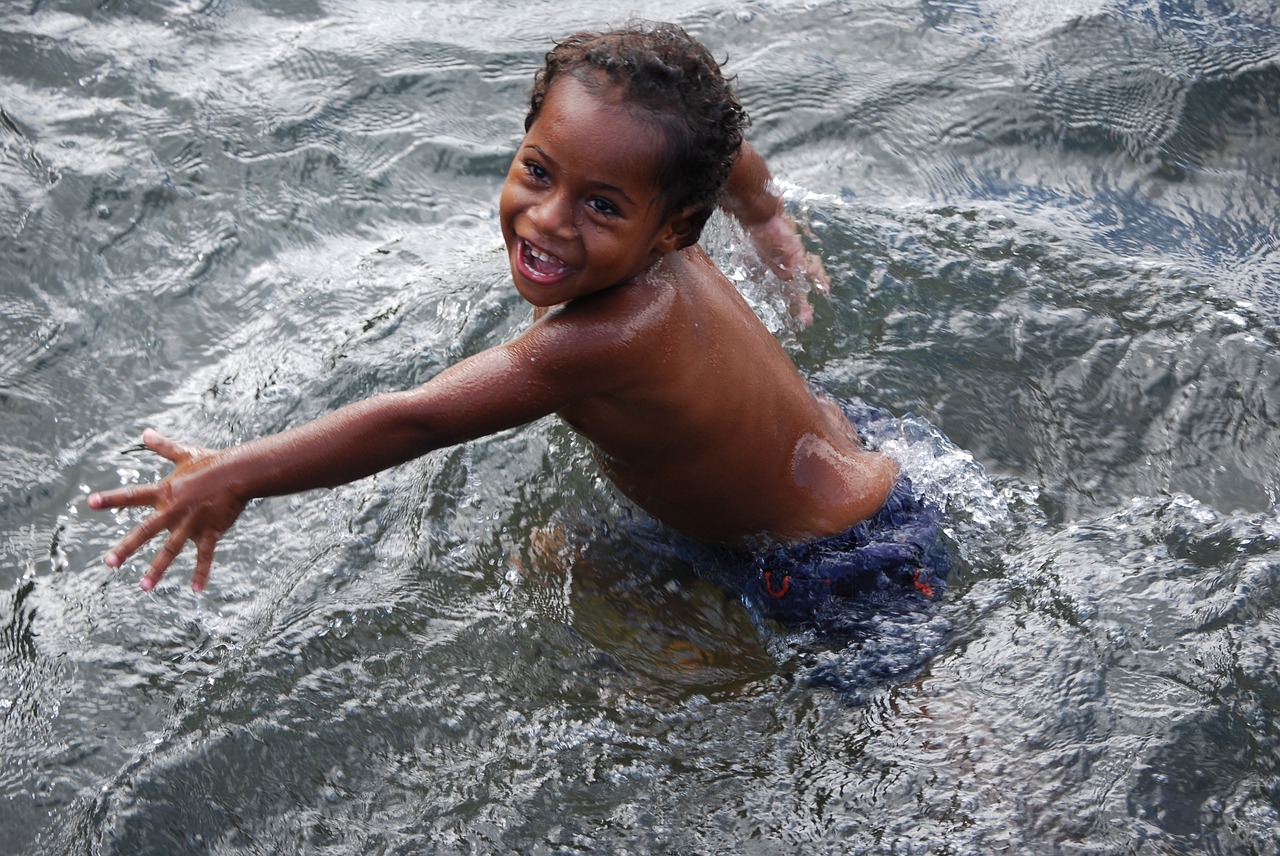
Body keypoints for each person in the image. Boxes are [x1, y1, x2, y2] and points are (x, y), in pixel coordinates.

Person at [89, 23, 946, 622]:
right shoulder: (668, 217)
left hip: (832, 564)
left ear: (672, 228)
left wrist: (236, 473)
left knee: (948, 757)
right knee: (554, 554)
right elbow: (723, 155)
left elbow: (415, 416)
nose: (548, 218)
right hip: (844, 455)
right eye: (538, 170)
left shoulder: (602, 337)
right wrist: (764, 218)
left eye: (600, 206)